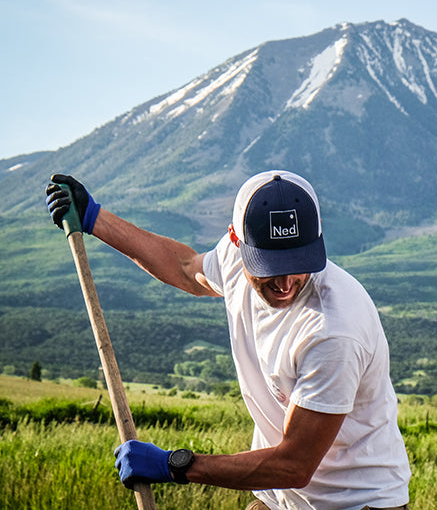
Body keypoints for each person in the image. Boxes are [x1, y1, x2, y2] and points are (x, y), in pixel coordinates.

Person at [46, 171, 411, 510]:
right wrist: (95, 219)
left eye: (298, 262)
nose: (285, 283)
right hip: (281, 499)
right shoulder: (235, 258)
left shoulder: (333, 330)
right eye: (269, 267)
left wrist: (175, 465)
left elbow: (293, 465)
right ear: (237, 241)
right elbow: (186, 269)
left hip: (356, 502)